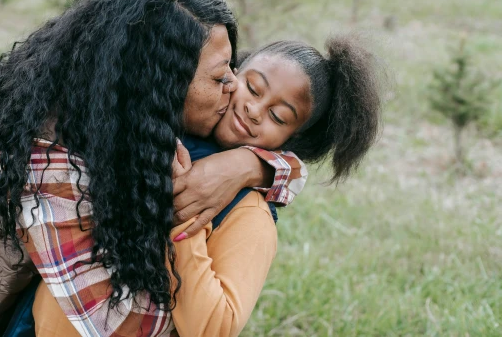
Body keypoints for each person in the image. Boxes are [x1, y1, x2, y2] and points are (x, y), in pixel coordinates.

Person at [0, 0, 302, 337]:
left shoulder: (109, 100)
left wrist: (254, 166)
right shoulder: (49, 163)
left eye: (234, 66)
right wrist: (188, 226)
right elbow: (119, 325)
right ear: (158, 86)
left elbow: (293, 166)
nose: (234, 86)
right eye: (218, 76)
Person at [29, 35, 383, 337]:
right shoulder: (165, 121)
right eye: (253, 87)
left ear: (295, 138)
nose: (255, 110)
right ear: (230, 73)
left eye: (278, 116)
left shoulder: (249, 214)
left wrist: (185, 218)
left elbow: (214, 326)